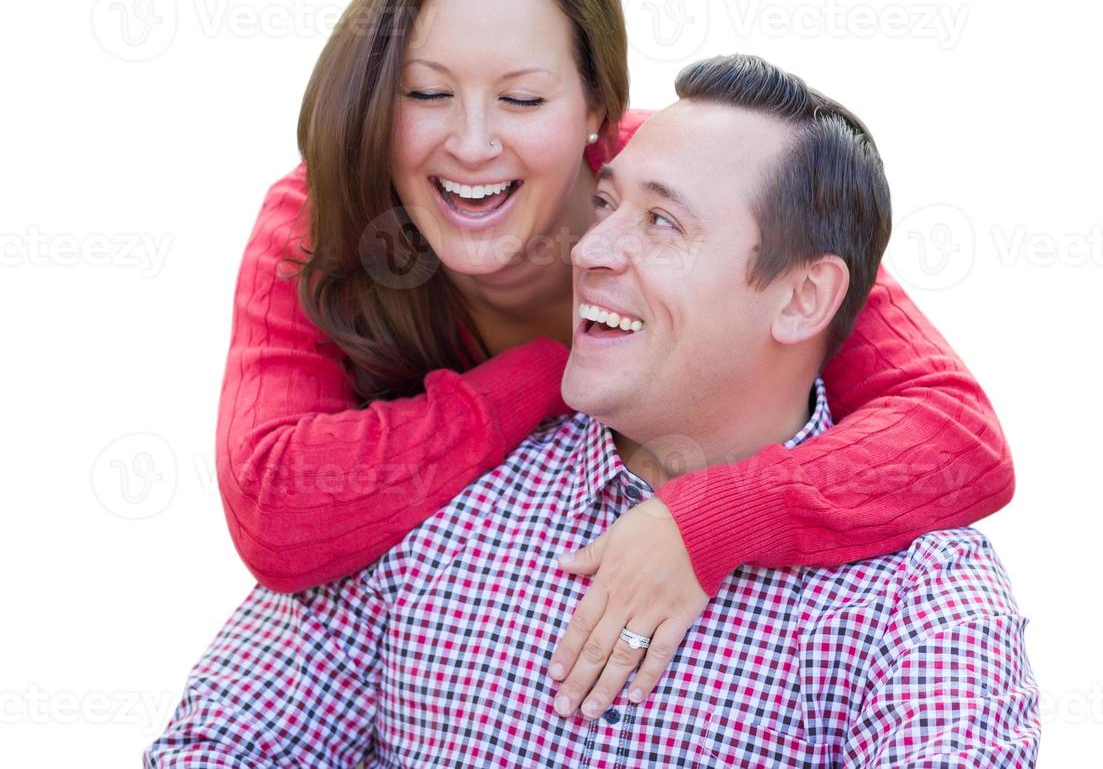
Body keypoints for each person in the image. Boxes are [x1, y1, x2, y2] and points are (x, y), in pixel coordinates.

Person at [216, 0, 1013, 714]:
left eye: (523, 100)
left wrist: (709, 519)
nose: (473, 143)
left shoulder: (683, 186)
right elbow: (276, 509)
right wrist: (545, 372)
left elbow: (954, 436)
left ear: (594, 109)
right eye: (426, 93)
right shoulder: (324, 219)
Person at [149, 55, 1038, 767]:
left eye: (661, 225)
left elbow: (960, 431)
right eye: (607, 204)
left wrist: (712, 519)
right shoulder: (437, 497)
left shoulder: (921, 605)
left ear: (804, 300)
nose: (589, 249)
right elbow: (213, 748)